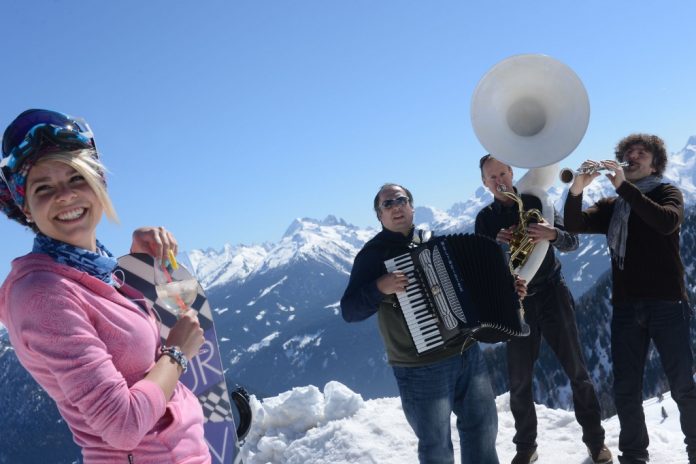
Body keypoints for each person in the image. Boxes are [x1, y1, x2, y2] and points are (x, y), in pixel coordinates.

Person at [0, 109, 211, 464]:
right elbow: (122, 426)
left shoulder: (89, 267)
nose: (65, 196)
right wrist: (176, 355)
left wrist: (135, 265)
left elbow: (119, 339)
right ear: (27, 209)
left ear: (98, 184)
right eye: (43, 188)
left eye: (76, 178)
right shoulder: (43, 295)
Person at [341, 183, 525, 464]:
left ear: (412, 207)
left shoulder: (432, 241)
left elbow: (473, 287)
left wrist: (507, 290)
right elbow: (350, 310)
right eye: (387, 204)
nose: (396, 207)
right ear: (379, 216)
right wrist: (380, 286)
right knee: (436, 445)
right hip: (421, 366)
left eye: (401, 200)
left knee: (482, 429)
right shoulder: (373, 256)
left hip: (466, 352)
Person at [563, 134, 696, 464]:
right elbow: (573, 223)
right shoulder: (614, 206)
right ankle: (634, 457)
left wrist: (623, 187)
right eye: (627, 153)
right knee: (626, 391)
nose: (632, 156)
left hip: (667, 304)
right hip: (626, 307)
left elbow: (665, 222)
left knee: (683, 387)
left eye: (641, 153)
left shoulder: (668, 192)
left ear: (655, 164)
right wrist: (577, 188)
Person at [476, 155, 611, 464]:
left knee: (577, 370)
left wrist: (553, 234)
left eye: (502, 172)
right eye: (491, 176)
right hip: (516, 302)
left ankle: (596, 442)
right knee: (519, 380)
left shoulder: (536, 199)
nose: (499, 179)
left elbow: (572, 242)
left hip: (552, 292)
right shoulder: (485, 219)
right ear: (484, 183)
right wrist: (496, 245)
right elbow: (482, 270)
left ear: (511, 172)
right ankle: (526, 448)